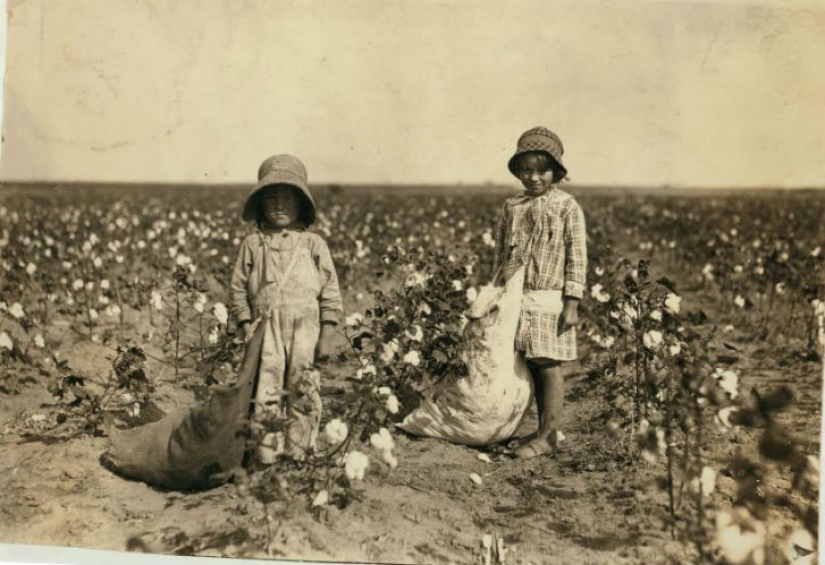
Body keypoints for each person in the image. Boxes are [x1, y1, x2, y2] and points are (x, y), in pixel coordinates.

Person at [229, 154, 343, 461]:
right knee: (266, 389)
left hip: (306, 328)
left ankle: (299, 453)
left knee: (303, 387)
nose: (279, 205)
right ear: (261, 205)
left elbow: (331, 294)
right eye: (272, 198)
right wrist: (245, 326)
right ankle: (266, 457)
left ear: (301, 204)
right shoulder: (253, 244)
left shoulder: (313, 245)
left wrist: (327, 335)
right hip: (266, 329)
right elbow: (238, 289)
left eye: (287, 198)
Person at [492, 127, 587, 459]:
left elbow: (577, 255)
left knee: (548, 363)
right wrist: (498, 290)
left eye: (542, 170)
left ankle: (549, 434)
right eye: (527, 170)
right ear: (518, 172)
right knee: (530, 362)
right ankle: (541, 429)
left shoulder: (566, 206)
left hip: (550, 297)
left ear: (555, 172)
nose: (534, 178)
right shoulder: (512, 206)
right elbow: (501, 254)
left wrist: (571, 303)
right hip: (518, 296)